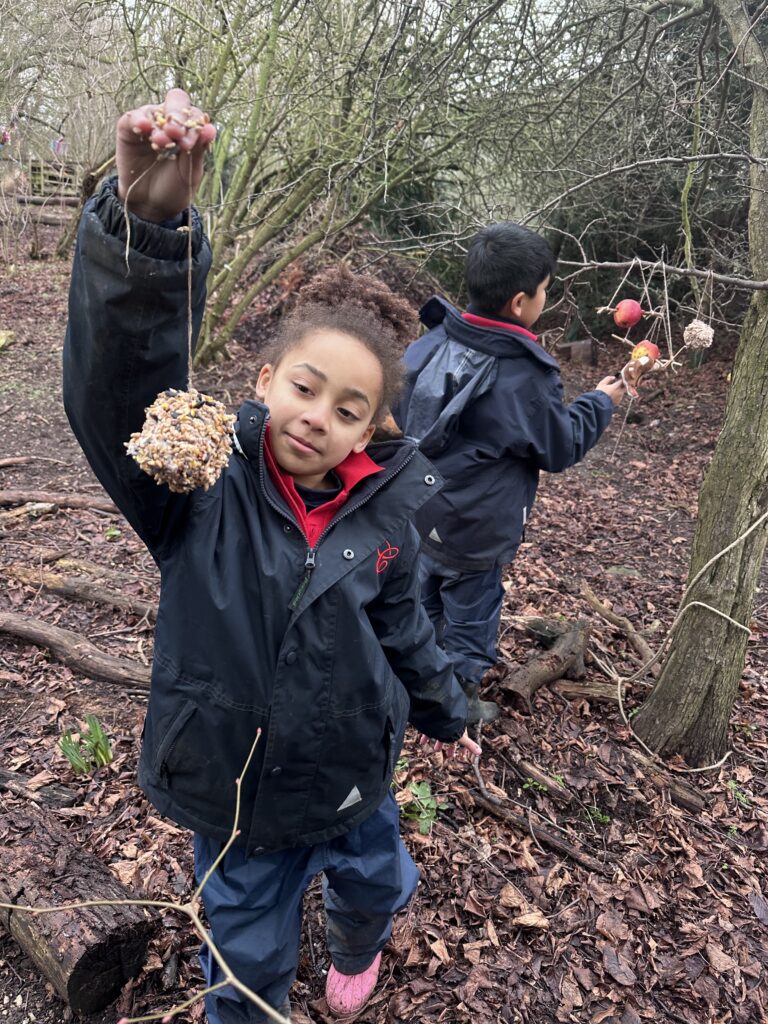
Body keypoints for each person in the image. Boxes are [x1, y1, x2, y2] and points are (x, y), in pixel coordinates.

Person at [62, 88, 481, 1024]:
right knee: (244, 968)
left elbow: (406, 624)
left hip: (354, 779)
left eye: (346, 410)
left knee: (378, 886)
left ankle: (358, 944)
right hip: (236, 796)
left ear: (374, 430)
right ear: (265, 381)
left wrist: (452, 709)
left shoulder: (386, 515)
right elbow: (118, 393)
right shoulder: (201, 488)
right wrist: (148, 234)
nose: (316, 417)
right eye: (305, 387)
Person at [392, 222, 625, 723]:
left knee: (425, 590)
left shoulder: (430, 341)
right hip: (477, 529)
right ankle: (454, 706)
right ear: (520, 302)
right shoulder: (522, 373)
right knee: (472, 615)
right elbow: (559, 446)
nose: (546, 297)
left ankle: (418, 675)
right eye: (545, 290)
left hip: (417, 507)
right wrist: (600, 402)